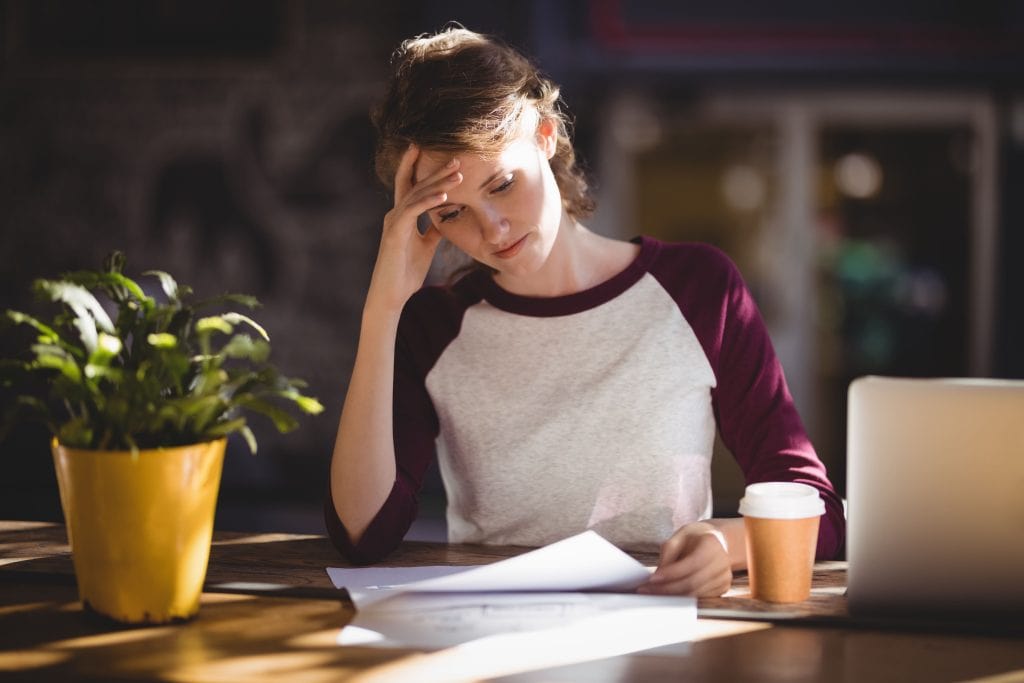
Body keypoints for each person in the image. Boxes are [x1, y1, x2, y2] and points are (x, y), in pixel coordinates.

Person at [325, 25, 845, 597]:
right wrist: (384, 306)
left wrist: (725, 542)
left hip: (656, 635)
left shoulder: (699, 288)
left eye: (501, 184)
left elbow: (819, 511)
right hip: (494, 635)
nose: (491, 230)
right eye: (452, 214)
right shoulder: (433, 325)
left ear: (545, 135)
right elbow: (363, 534)